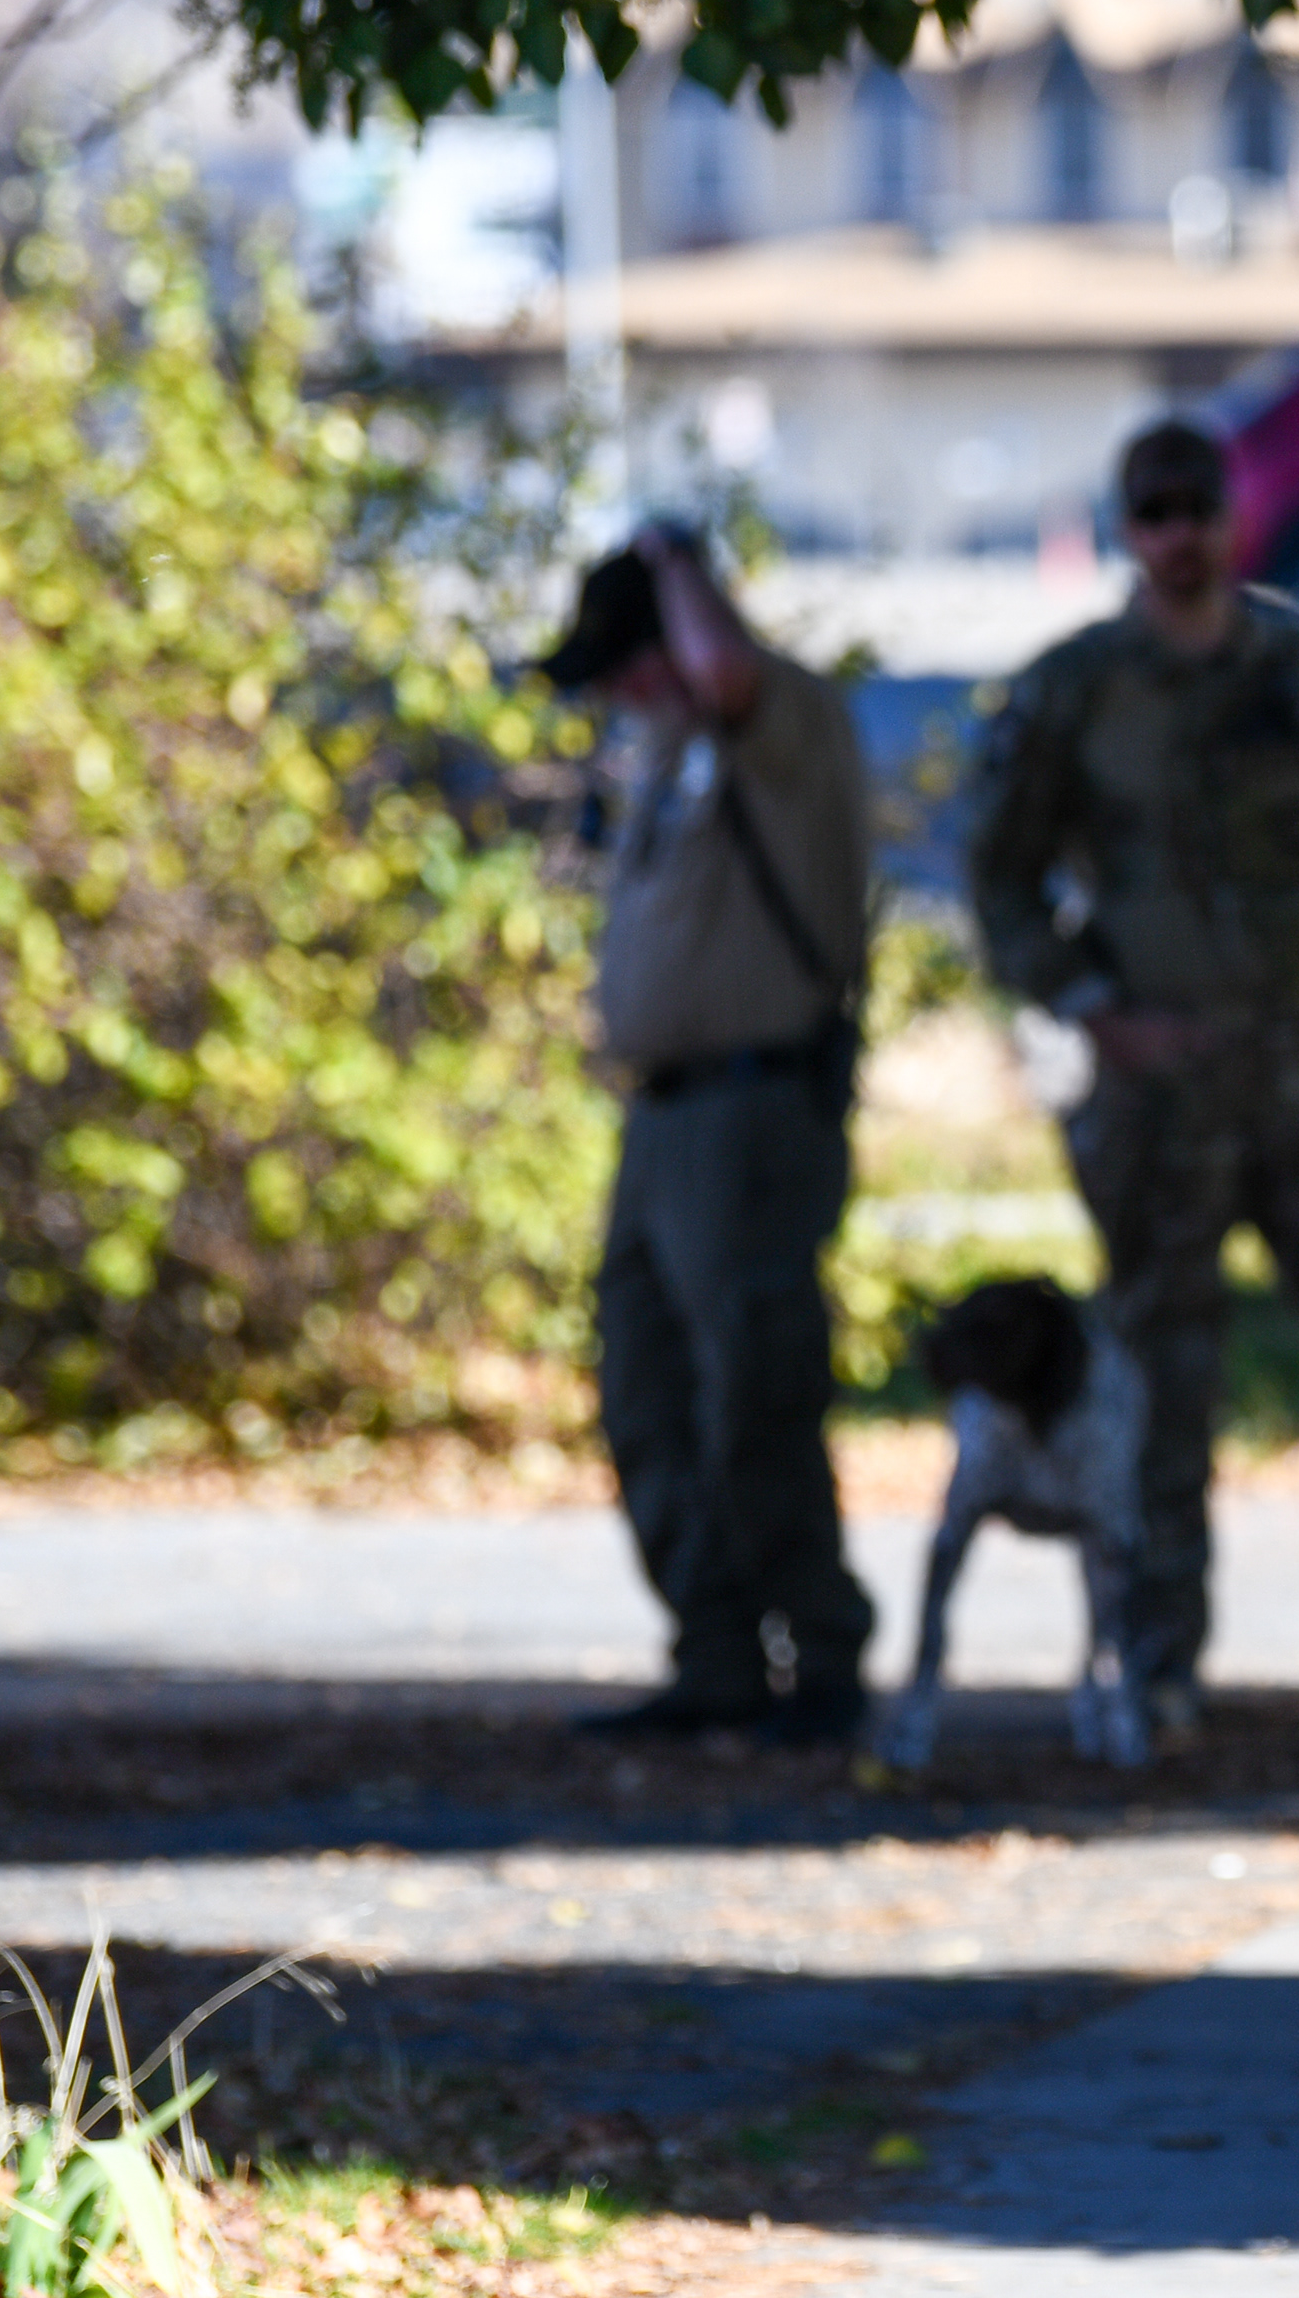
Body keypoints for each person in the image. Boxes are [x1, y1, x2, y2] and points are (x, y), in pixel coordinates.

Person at [966, 418, 1299, 1730]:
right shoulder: (1076, 689)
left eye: (1197, 510)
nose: (1180, 537)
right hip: (1168, 1087)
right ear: (1126, 528)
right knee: (1159, 1386)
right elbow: (999, 875)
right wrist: (1093, 1007)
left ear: (1228, 519)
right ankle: (1159, 1666)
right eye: (1154, 514)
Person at [540, 526, 880, 1744]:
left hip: (754, 1108)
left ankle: (820, 1648)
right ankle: (717, 1648)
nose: (621, 688)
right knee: (646, 1383)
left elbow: (725, 671)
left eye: (635, 657)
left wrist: (674, 556)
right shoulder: (671, 749)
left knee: (755, 1384)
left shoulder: (771, 719)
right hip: (664, 1115)